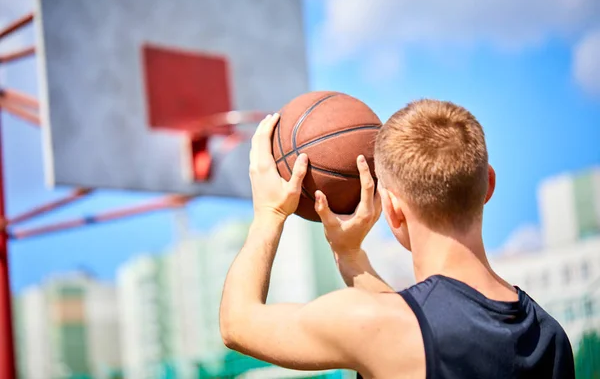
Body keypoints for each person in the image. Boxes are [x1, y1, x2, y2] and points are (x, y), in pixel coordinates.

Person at [219, 99, 575, 379]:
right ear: (488, 185)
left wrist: (270, 213)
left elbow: (237, 323)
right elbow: (426, 318)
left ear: (391, 208)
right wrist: (349, 253)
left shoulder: (377, 324)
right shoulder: (550, 337)